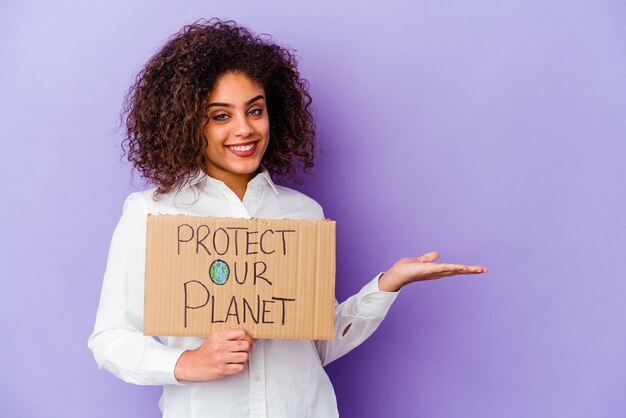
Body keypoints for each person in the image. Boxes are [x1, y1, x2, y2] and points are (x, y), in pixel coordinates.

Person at [88, 18, 487, 418]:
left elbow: (315, 343)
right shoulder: (153, 212)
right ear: (188, 122)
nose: (244, 129)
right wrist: (185, 363)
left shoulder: (302, 213)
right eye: (220, 116)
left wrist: (386, 285)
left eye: (255, 110)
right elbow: (109, 339)